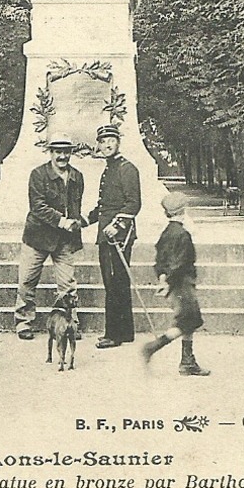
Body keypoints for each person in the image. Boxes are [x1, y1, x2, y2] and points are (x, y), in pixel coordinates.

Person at [15, 138, 85, 340]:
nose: (62, 156)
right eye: (57, 152)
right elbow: (37, 207)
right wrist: (62, 221)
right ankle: (23, 322)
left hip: (64, 240)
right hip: (37, 237)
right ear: (50, 153)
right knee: (27, 280)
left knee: (67, 285)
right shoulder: (38, 175)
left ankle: (70, 324)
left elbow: (75, 208)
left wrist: (75, 228)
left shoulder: (77, 176)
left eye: (66, 152)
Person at [83, 124, 141, 349]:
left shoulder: (127, 168)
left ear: (118, 142)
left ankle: (113, 335)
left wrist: (117, 225)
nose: (107, 144)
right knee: (117, 281)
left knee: (114, 281)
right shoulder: (109, 169)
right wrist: (85, 220)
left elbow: (133, 203)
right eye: (103, 141)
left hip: (119, 236)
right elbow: (104, 206)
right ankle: (125, 332)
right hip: (107, 234)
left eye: (111, 140)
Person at [141, 191, 210, 376]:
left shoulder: (165, 233)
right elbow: (180, 263)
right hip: (183, 284)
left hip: (172, 284)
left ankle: (187, 361)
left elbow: (160, 260)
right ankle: (153, 348)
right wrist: (170, 279)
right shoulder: (183, 235)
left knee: (188, 320)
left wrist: (163, 277)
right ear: (183, 211)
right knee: (189, 321)